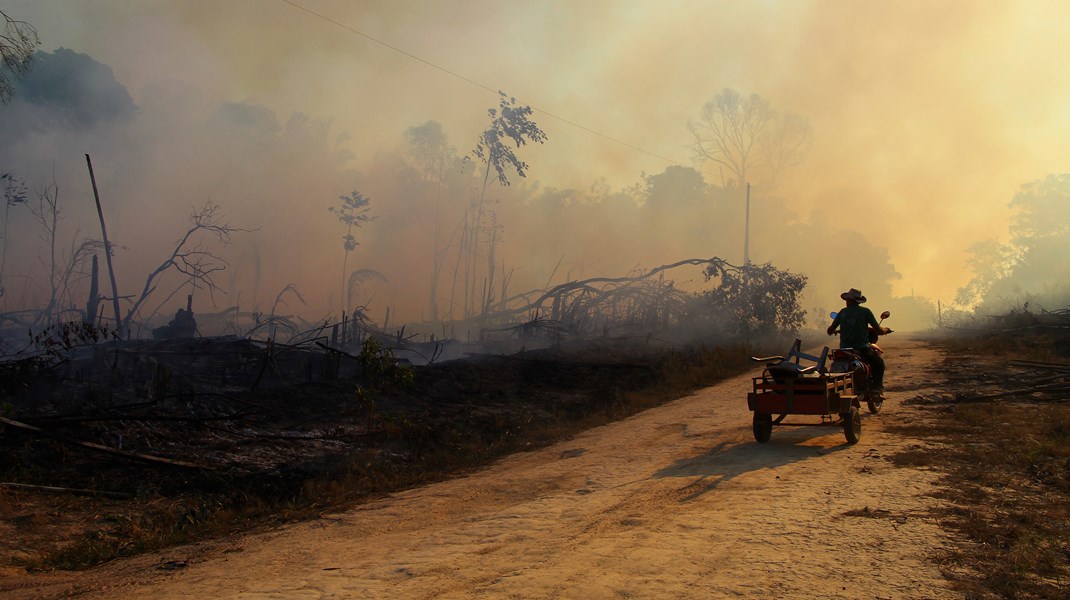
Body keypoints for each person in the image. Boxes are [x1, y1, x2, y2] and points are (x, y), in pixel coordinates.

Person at [826, 288, 890, 396]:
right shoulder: (865, 312)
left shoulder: (842, 312)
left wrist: (836, 330)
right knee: (879, 364)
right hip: (861, 348)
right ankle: (876, 389)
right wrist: (885, 330)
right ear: (858, 301)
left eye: (847, 300)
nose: (846, 301)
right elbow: (878, 329)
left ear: (849, 300)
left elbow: (829, 331)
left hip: (844, 349)